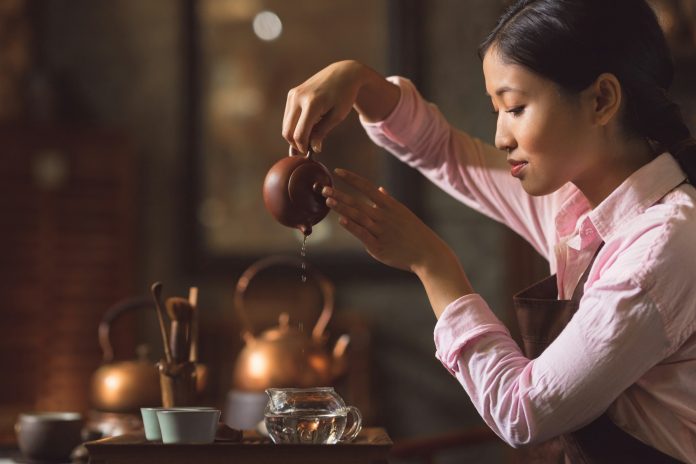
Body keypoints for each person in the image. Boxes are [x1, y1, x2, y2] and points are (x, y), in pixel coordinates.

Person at [281, 0, 696, 462]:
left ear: (601, 99)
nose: (501, 137)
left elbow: (524, 411)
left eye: (515, 107)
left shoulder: (663, 248)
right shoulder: (574, 209)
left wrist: (433, 266)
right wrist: (357, 80)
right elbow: (442, 152)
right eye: (496, 109)